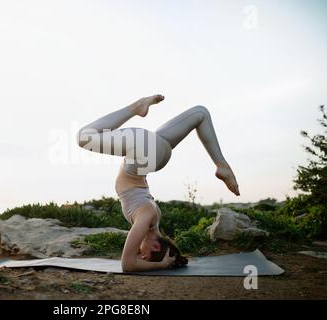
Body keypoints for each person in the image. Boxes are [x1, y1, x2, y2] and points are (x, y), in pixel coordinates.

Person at [76, 95, 240, 272]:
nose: (139, 253)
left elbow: (137, 256)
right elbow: (127, 265)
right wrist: (161, 264)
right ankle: (136, 107)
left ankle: (221, 164)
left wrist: (170, 258)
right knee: (84, 137)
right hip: (144, 152)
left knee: (200, 113)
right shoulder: (146, 217)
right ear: (155, 247)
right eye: (143, 254)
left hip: (158, 154)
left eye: (140, 255)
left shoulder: (154, 217)